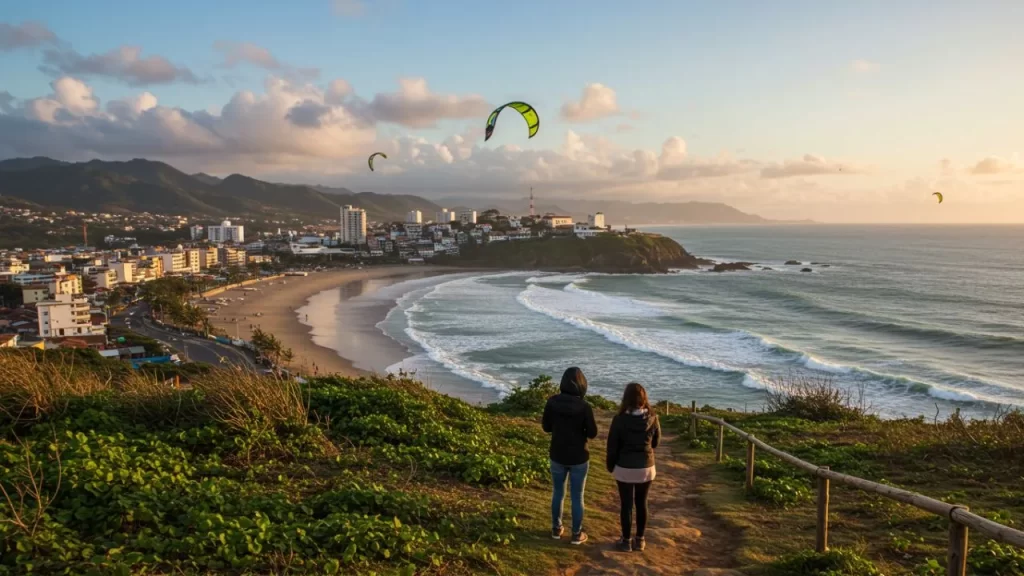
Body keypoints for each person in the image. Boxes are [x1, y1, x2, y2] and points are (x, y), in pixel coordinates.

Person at [542, 367, 598, 545]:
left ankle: (556, 529)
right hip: (579, 456)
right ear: (582, 385)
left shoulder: (552, 402)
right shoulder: (584, 407)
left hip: (557, 453)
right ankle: (576, 533)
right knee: (577, 495)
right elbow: (592, 433)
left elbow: (546, 427)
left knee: (558, 492)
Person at [606, 382, 661, 552]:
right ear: (644, 398)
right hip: (646, 467)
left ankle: (626, 541)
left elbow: (612, 447)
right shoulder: (653, 418)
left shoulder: (619, 419)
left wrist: (610, 466)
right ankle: (640, 540)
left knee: (626, 505)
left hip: (625, 467)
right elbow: (656, 443)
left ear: (626, 399)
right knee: (642, 502)